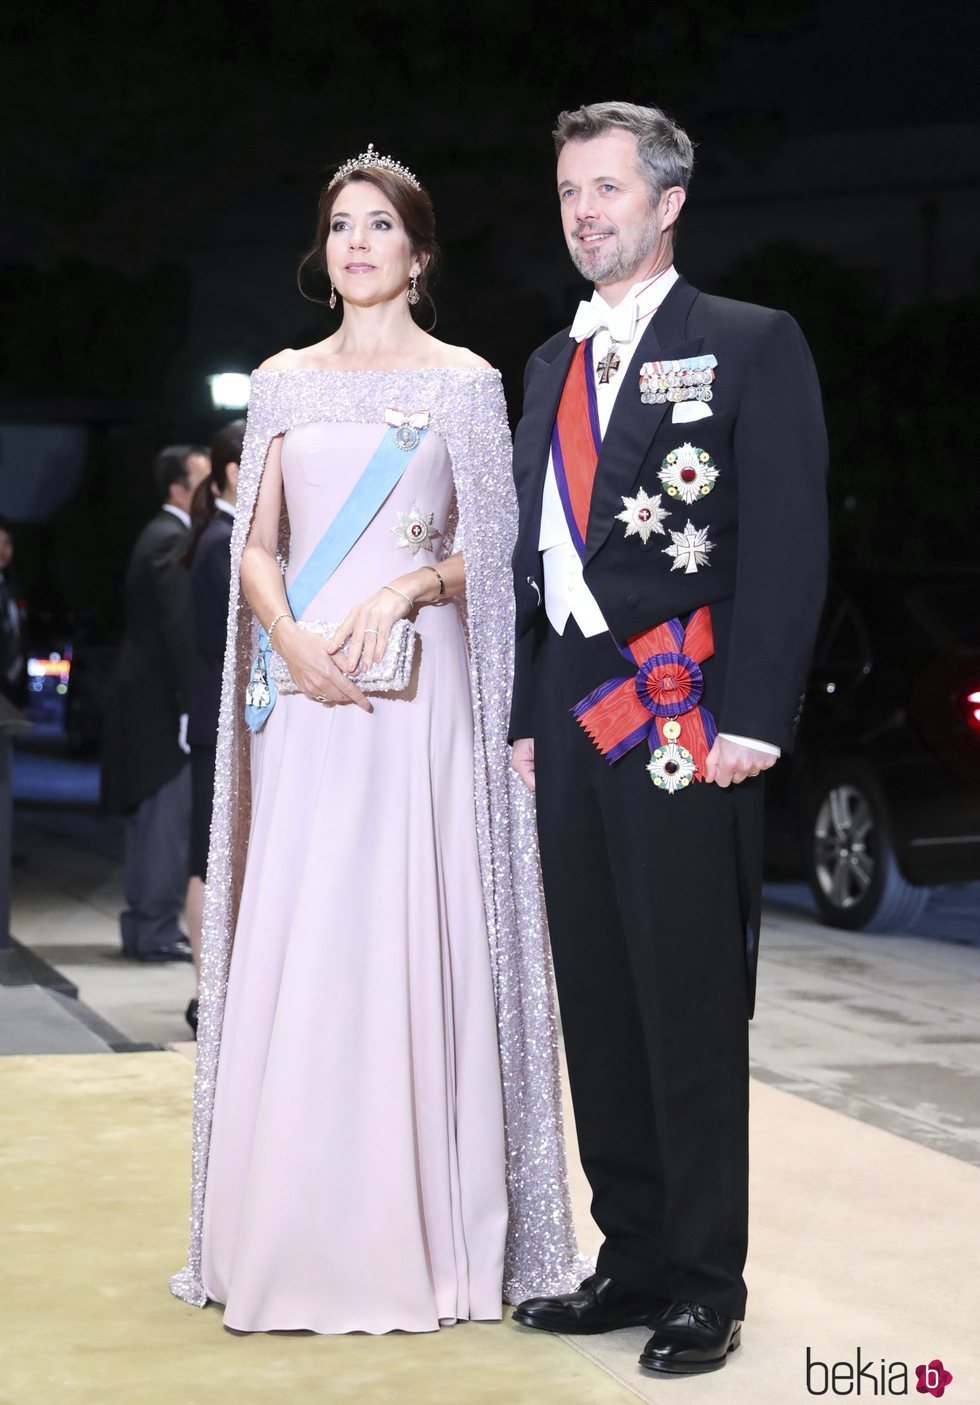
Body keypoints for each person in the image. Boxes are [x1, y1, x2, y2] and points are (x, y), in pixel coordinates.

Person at [171, 145, 584, 1333]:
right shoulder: (282, 380)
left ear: (417, 250)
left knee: (412, 929)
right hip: (303, 695)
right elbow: (255, 540)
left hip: (422, 706)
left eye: (379, 226)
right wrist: (286, 634)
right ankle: (287, 1231)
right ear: (324, 250)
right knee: (308, 934)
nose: (356, 243)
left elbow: (499, 564)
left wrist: (405, 593)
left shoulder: (465, 381)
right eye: (340, 225)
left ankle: (432, 1240)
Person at [509, 102, 828, 1375]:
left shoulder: (748, 342)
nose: (584, 211)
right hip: (572, 726)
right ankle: (629, 1252)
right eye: (569, 193)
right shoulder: (548, 362)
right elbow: (546, 560)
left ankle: (703, 1280)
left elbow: (791, 540)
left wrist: (753, 712)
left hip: (688, 719)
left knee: (686, 1000)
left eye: (605, 188)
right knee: (595, 991)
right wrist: (527, 718)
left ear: (667, 200)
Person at [101, 445, 210, 961]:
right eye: (201, 479)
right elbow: (179, 629)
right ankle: (157, 929)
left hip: (145, 698)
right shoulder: (171, 538)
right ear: (178, 488)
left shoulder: (158, 534)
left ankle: (146, 927)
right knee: (166, 816)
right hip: (159, 704)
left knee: (153, 818)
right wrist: (193, 702)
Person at [181, 420, 244, 1034]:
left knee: (213, 854)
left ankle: (213, 990)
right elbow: (222, 642)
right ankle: (206, 995)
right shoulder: (223, 542)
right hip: (215, 722)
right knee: (208, 857)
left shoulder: (222, 535)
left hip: (214, 719)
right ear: (233, 471)